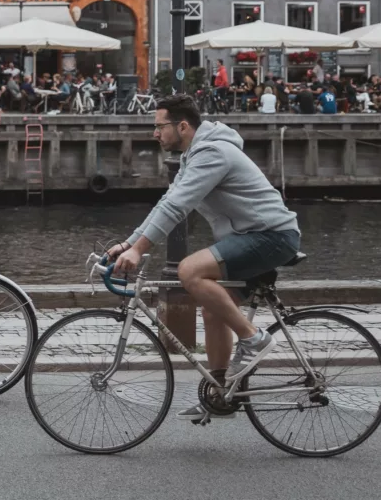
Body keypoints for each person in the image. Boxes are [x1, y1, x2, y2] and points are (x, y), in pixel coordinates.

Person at [105, 95, 300, 420]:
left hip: (271, 235)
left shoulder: (212, 153)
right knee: (213, 311)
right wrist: (129, 244)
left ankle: (254, 339)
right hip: (249, 237)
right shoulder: (193, 157)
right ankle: (221, 394)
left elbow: (177, 207)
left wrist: (141, 249)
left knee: (190, 270)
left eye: (159, 126)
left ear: (182, 126)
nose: (155, 133)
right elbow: (166, 202)